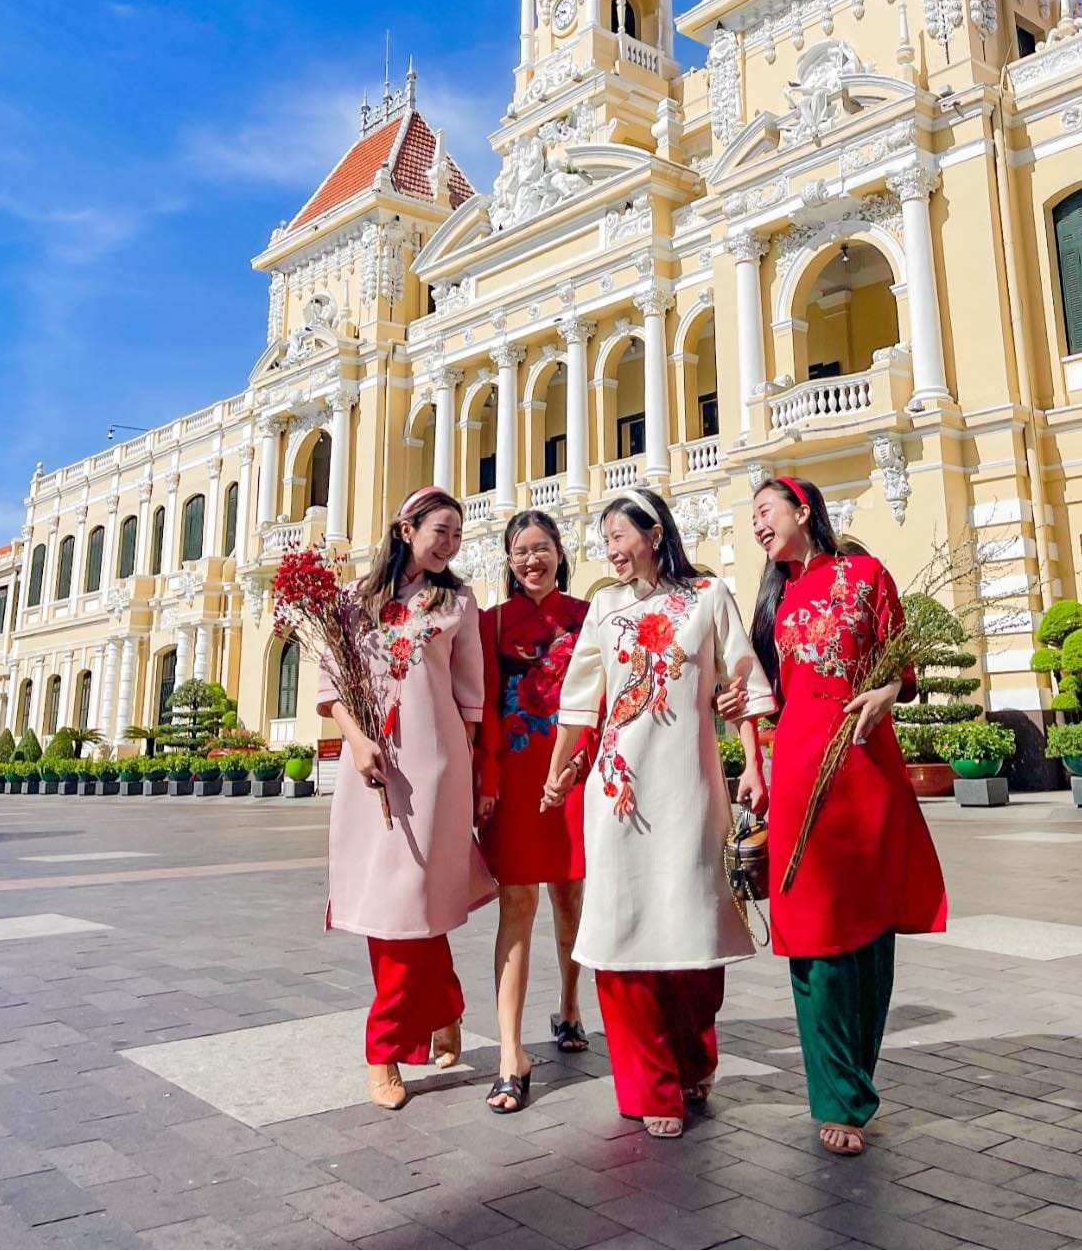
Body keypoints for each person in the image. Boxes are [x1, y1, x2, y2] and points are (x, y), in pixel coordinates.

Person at [542, 488, 773, 1139]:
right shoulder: (605, 607)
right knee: (624, 933)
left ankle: (694, 1060)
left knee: (692, 928)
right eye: (605, 540)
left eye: (619, 535)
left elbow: (744, 683)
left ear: (653, 533)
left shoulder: (707, 595)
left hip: (692, 791)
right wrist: (559, 771)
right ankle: (650, 1086)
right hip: (619, 792)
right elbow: (578, 701)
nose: (611, 550)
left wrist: (754, 765)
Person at [744, 476, 947, 1157]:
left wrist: (886, 692)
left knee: (869, 931)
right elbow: (761, 697)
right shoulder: (773, 600)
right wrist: (750, 752)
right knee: (812, 934)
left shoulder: (866, 575)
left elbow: (902, 670)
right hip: (800, 771)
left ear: (804, 511)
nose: (757, 525)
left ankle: (857, 1077)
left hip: (866, 765)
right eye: (752, 517)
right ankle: (836, 1096)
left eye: (766, 511)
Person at [319, 486, 496, 1111]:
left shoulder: (458, 602)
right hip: (369, 771)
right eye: (440, 531)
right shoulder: (354, 601)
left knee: (415, 903)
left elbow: (471, 700)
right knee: (389, 908)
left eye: (457, 535)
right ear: (406, 529)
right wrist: (357, 741)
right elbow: (331, 687)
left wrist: (469, 778)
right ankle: (442, 1006)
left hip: (434, 773)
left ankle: (384, 1047)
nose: (450, 544)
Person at [473, 511, 595, 1114]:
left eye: (542, 548)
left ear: (559, 554)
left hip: (572, 777)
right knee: (516, 904)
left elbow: (600, 700)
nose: (532, 560)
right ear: (508, 560)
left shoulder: (587, 616)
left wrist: (581, 766)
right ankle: (509, 1054)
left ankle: (570, 1004)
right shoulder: (491, 623)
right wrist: (487, 783)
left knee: (569, 897)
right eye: (521, 551)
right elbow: (485, 710)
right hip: (515, 784)